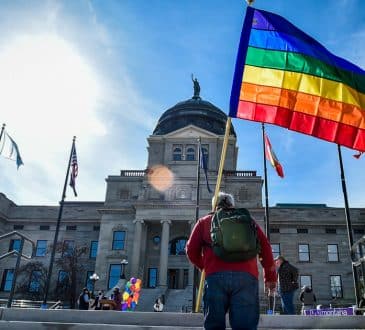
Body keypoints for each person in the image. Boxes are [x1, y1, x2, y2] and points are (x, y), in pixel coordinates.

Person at [186, 191, 277, 330]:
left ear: (214, 206)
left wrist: (204, 266)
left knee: (214, 325)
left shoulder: (204, 222)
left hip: (215, 277)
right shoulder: (249, 221)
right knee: (245, 326)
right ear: (232, 205)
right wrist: (270, 278)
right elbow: (266, 248)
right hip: (247, 278)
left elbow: (191, 250)